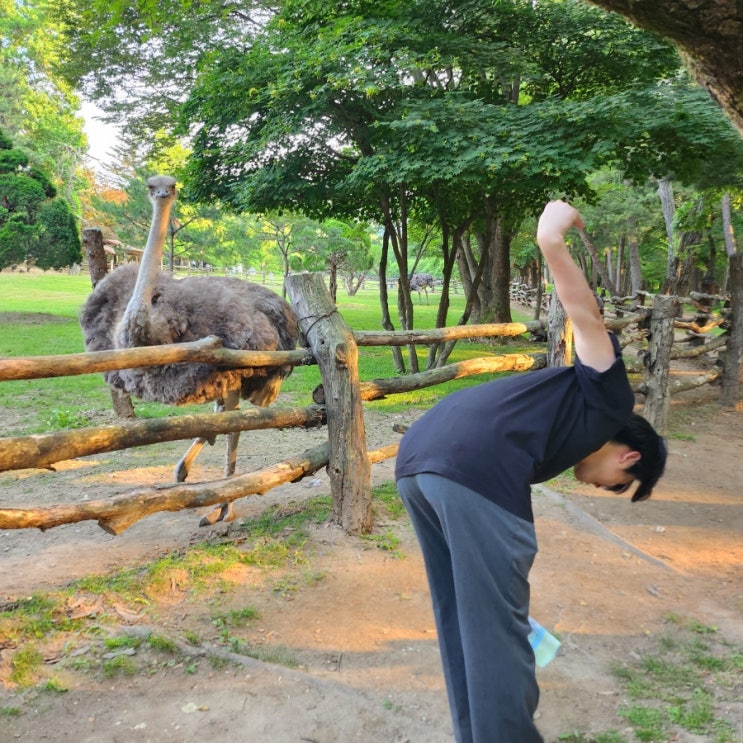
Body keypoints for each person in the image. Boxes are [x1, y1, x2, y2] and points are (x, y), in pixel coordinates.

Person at [395, 200, 667, 743]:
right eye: (617, 487)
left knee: (462, 616)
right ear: (629, 457)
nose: (601, 487)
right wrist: (551, 240)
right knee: (499, 633)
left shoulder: (567, 412)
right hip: (473, 473)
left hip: (417, 464)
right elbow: (585, 317)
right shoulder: (609, 398)